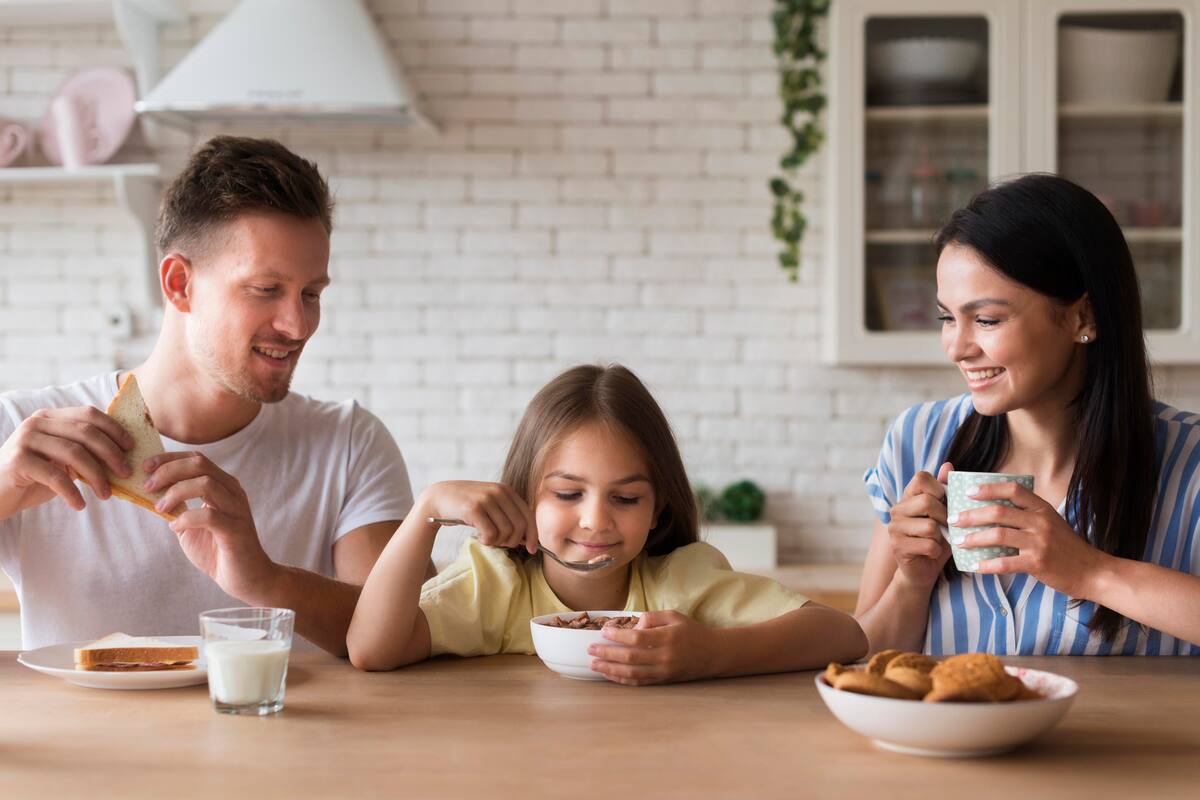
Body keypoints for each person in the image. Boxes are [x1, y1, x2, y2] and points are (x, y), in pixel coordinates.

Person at [0, 136, 415, 654]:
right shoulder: (22, 432)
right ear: (179, 284)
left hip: (280, 713)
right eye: (266, 290)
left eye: (311, 294)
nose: (298, 325)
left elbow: (403, 636)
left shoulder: (350, 443)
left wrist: (264, 579)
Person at [856, 173, 1200, 656]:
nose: (956, 347)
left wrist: (1092, 572)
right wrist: (912, 581)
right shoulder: (917, 440)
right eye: (947, 318)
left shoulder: (1191, 463)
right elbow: (865, 658)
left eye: (987, 319)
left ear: (1083, 317)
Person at [348, 364, 866, 683]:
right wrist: (425, 513)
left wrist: (711, 654)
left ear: (657, 509)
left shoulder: (680, 582)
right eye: (568, 494)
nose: (595, 520)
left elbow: (842, 634)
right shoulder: (495, 585)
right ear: (525, 496)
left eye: (625, 497)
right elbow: (372, 649)